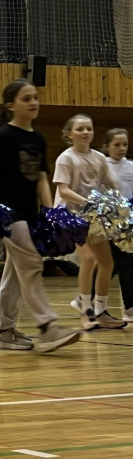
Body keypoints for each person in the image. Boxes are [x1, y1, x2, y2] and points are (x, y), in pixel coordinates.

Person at [0, 79, 81, 352]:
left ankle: (3, 331)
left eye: (35, 97)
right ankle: (47, 328)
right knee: (33, 264)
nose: (33, 102)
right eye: (26, 98)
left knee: (15, 272)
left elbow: (42, 179)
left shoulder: (38, 139)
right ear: (11, 105)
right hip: (6, 212)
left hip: (29, 213)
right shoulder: (3, 136)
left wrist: (51, 214)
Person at [54, 114, 124, 330]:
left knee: (107, 262)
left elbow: (111, 183)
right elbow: (63, 190)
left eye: (89, 128)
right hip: (69, 215)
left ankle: (100, 311)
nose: (85, 132)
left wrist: (117, 204)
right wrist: (90, 203)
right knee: (90, 258)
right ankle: (86, 312)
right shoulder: (65, 158)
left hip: (93, 215)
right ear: (69, 134)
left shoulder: (99, 158)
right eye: (80, 129)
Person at [102, 128, 133, 323]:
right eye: (117, 145)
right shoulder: (102, 165)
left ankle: (129, 307)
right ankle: (89, 301)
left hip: (128, 221)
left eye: (125, 144)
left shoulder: (131, 166)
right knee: (111, 263)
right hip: (108, 220)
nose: (122, 148)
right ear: (107, 146)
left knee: (125, 263)